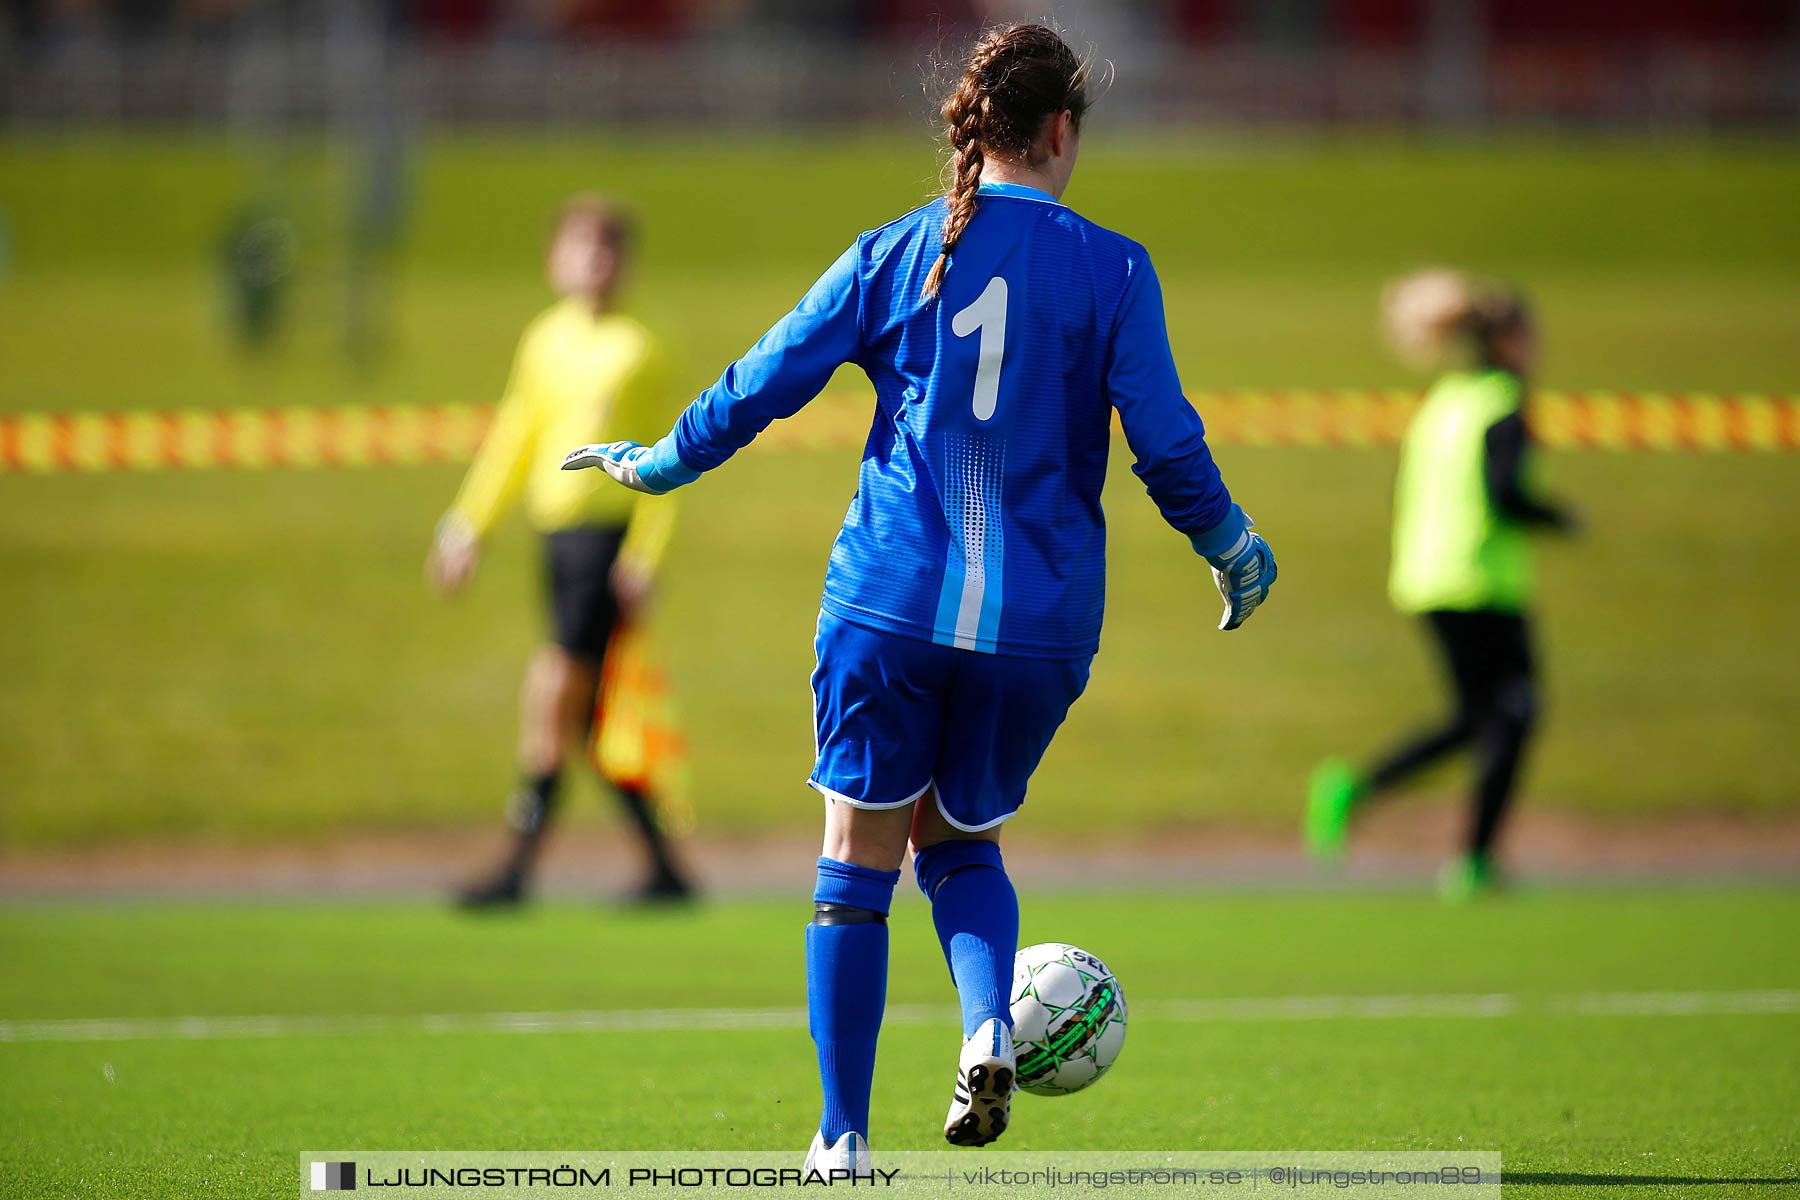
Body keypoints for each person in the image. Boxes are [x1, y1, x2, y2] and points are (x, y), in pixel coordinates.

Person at [565, 23, 1275, 1168]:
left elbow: (762, 384)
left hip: (889, 604)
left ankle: (842, 1137)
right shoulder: (1115, 267)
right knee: (961, 843)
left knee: (856, 859)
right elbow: (1169, 449)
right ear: (1060, 131)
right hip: (1037, 627)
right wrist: (1231, 547)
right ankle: (989, 1024)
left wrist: (654, 463)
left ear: (974, 129)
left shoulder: (898, 252)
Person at [428, 195, 695, 909]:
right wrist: (467, 527)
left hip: (602, 549)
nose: (595, 263)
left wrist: (645, 554)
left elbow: (669, 462)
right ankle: (666, 868)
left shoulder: (642, 347)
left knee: (551, 702)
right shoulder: (545, 340)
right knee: (587, 723)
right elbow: (515, 439)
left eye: (609, 250)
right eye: (582, 247)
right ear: (555, 260)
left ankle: (517, 869)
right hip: (553, 544)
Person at [1306, 269, 1576, 901]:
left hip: (1427, 574)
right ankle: (1476, 861)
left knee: (1478, 717)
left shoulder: (1447, 400)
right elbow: (1504, 494)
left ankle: (1358, 787)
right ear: (1507, 338)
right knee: (1512, 713)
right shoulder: (1503, 403)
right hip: (1479, 578)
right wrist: (1561, 518)